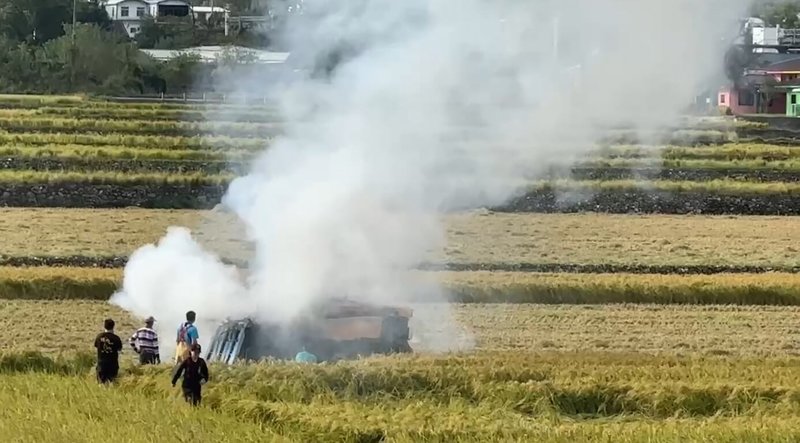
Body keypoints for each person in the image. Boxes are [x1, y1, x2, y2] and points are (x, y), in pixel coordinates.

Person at [94, 318, 123, 384]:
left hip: (101, 364)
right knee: (112, 383)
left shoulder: (99, 337)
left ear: (104, 326)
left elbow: (96, 346)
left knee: (101, 384)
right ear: (113, 326)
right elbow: (119, 349)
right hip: (113, 364)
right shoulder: (116, 338)